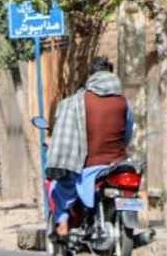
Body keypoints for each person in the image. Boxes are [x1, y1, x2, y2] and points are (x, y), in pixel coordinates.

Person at [46, 57, 134, 239]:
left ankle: (62, 223)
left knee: (59, 186)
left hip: (90, 165)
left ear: (92, 76)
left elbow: (67, 136)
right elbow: (127, 134)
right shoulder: (124, 102)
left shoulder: (77, 102)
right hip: (118, 163)